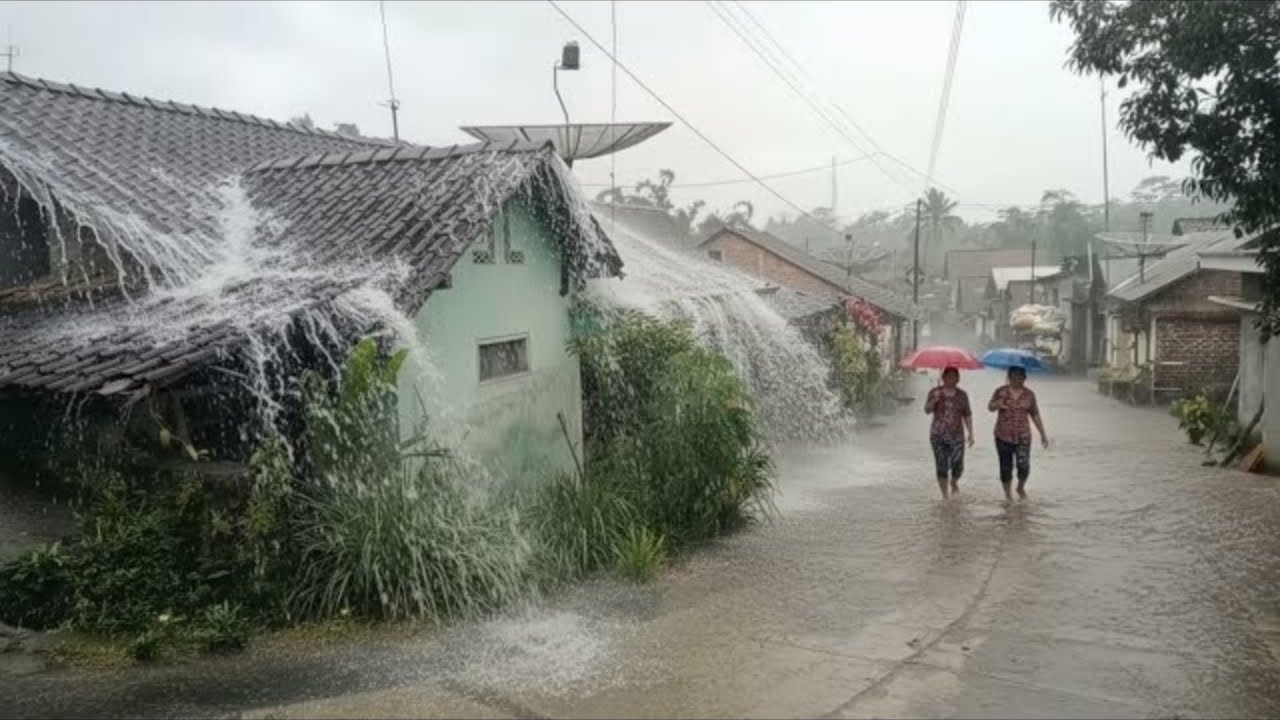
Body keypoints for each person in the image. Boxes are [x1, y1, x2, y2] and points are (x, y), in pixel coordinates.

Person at [988, 366, 1049, 501]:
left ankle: (1020, 487)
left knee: (1024, 465)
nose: (1017, 379)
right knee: (1005, 467)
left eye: (1020, 376)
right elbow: (990, 407)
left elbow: (1035, 414)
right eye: (1014, 376)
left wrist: (1043, 434)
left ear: (1024, 378)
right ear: (1009, 377)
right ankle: (1008, 495)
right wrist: (998, 403)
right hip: (1003, 435)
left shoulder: (1029, 394)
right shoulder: (1000, 391)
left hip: (1023, 436)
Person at [924, 366, 974, 499]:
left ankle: (954, 481)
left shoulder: (962, 395)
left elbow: (967, 415)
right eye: (948, 376)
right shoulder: (935, 392)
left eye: (954, 377)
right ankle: (945, 495)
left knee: (958, 465)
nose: (951, 379)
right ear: (943, 377)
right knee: (941, 465)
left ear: (958, 379)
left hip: (957, 436)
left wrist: (971, 433)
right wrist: (934, 399)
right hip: (938, 435)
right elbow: (927, 410)